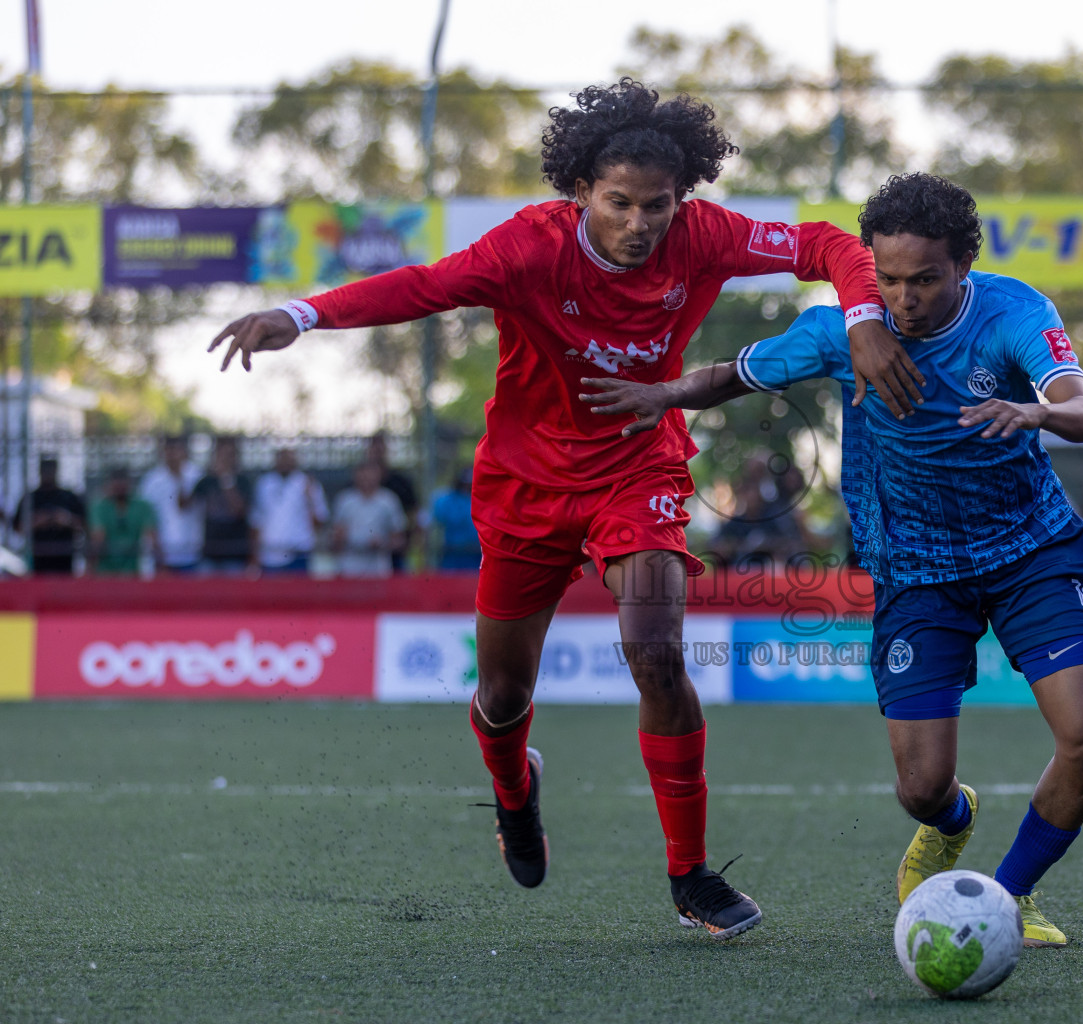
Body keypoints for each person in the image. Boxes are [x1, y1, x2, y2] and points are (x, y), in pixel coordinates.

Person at [208, 79, 920, 938]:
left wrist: (864, 318)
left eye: (657, 205)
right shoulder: (527, 250)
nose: (639, 224)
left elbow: (827, 245)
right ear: (580, 189)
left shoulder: (702, 236)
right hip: (526, 486)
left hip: (636, 469)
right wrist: (302, 313)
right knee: (504, 694)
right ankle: (515, 789)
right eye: (618, 203)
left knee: (655, 653)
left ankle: (690, 875)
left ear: (681, 197)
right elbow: (424, 286)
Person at [582, 173, 1083, 947]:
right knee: (920, 789)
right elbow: (734, 374)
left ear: (964, 264)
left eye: (925, 279)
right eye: (889, 278)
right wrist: (660, 395)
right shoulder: (843, 329)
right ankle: (952, 821)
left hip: (1032, 552)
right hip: (914, 571)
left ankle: (1007, 898)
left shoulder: (1015, 311)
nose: (904, 298)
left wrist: (1034, 409)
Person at [253, 448, 328, 575]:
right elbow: (256, 521)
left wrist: (310, 500)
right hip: (270, 555)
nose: (285, 462)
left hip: (298, 554)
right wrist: (254, 555)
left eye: (289, 458)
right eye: (282, 458)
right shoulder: (264, 483)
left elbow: (320, 521)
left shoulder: (307, 483)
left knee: (298, 594)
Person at [192, 436, 258, 576]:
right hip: (210, 554)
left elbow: (239, 511)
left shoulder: (243, 481)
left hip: (235, 555)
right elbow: (184, 506)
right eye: (221, 454)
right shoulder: (207, 481)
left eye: (228, 455)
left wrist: (226, 479)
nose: (224, 459)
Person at [137, 435, 202, 574]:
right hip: (161, 556)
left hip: (192, 553)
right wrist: (157, 553)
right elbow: (146, 518)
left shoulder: (196, 475)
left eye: (177, 450)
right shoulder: (152, 480)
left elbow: (187, 505)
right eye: (169, 450)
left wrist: (179, 478)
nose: (173, 455)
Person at [331, 462, 407, 577]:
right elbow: (335, 537)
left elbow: (399, 539)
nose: (366, 479)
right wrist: (342, 539)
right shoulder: (345, 501)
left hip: (378, 569)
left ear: (378, 476)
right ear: (355, 476)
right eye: (363, 474)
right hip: (349, 569)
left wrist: (382, 544)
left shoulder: (389, 501)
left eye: (370, 474)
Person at [13, 456, 85, 575]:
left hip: (64, 557)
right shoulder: (30, 499)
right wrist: (38, 521)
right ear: (40, 471)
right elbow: (17, 528)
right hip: (36, 558)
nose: (48, 474)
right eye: (45, 470)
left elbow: (83, 525)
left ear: (56, 470)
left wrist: (65, 519)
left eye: (51, 470)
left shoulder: (69, 497)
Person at [88, 467, 157, 576]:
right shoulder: (100, 506)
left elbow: (152, 537)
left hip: (134, 571)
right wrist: (90, 571)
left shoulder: (142, 506)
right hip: (105, 572)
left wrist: (161, 568)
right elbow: (98, 538)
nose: (119, 486)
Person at [367, 432, 418, 572]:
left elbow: (413, 512)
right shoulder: (356, 484)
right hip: (366, 553)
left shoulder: (400, 482)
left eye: (381, 446)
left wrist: (408, 539)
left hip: (397, 551)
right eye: (374, 446)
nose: (377, 451)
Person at [431, 465, 480, 571]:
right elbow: (437, 519)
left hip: (477, 555)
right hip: (452, 554)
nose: (468, 487)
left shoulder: (483, 499)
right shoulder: (447, 500)